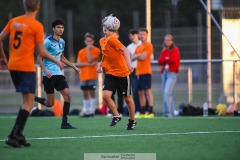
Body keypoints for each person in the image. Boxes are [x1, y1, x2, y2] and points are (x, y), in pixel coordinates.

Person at [0, 0, 65, 148]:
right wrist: (57, 61)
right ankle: (13, 136)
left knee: (26, 102)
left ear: (24, 6)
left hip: (13, 66)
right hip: (26, 67)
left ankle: (18, 134)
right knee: (28, 104)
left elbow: (0, 39)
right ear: (38, 7)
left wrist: (3, 58)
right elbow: (41, 52)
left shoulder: (14, 21)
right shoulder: (36, 25)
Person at [34, 18, 80, 129]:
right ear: (53, 29)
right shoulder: (48, 42)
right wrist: (45, 70)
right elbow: (39, 58)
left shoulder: (62, 41)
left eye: (62, 27)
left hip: (58, 74)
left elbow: (62, 58)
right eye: (58, 27)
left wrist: (74, 67)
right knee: (50, 104)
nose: (60, 29)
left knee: (68, 95)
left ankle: (64, 123)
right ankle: (32, 98)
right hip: (48, 75)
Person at [97, 14, 137, 130]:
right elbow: (105, 55)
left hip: (123, 73)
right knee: (105, 95)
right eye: (104, 26)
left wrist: (129, 64)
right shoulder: (102, 40)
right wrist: (100, 65)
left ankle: (132, 120)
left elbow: (125, 50)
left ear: (112, 28)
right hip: (110, 73)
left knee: (127, 98)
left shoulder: (113, 39)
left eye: (107, 26)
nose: (105, 28)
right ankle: (116, 115)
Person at [132, 27, 154, 118]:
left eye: (143, 34)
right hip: (138, 72)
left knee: (147, 91)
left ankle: (151, 112)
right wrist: (138, 56)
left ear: (147, 35)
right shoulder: (138, 46)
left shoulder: (148, 45)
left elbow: (144, 57)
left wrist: (138, 56)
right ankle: (142, 112)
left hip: (146, 72)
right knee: (140, 92)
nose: (141, 36)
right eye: (140, 34)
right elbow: (132, 57)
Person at [77, 32, 100, 117]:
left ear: (93, 41)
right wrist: (87, 64)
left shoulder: (96, 50)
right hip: (83, 75)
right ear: (85, 42)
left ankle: (92, 111)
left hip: (92, 75)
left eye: (90, 41)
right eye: (87, 41)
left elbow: (90, 60)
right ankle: (86, 110)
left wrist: (88, 50)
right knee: (85, 93)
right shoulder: (81, 51)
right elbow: (79, 63)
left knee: (92, 92)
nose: (89, 43)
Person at [158, 34, 180, 117]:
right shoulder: (164, 50)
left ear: (172, 41)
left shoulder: (175, 49)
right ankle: (171, 111)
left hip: (172, 73)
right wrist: (166, 58)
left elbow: (173, 59)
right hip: (164, 73)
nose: (167, 41)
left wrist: (166, 59)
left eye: (169, 40)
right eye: (166, 40)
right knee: (167, 93)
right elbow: (160, 61)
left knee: (166, 92)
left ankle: (167, 112)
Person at [127, 29, 142, 115]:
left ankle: (146, 109)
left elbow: (145, 56)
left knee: (143, 91)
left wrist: (135, 56)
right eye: (130, 36)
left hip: (142, 70)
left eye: (133, 35)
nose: (131, 37)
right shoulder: (129, 47)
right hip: (133, 70)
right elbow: (130, 58)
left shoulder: (142, 44)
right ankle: (138, 110)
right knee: (135, 90)